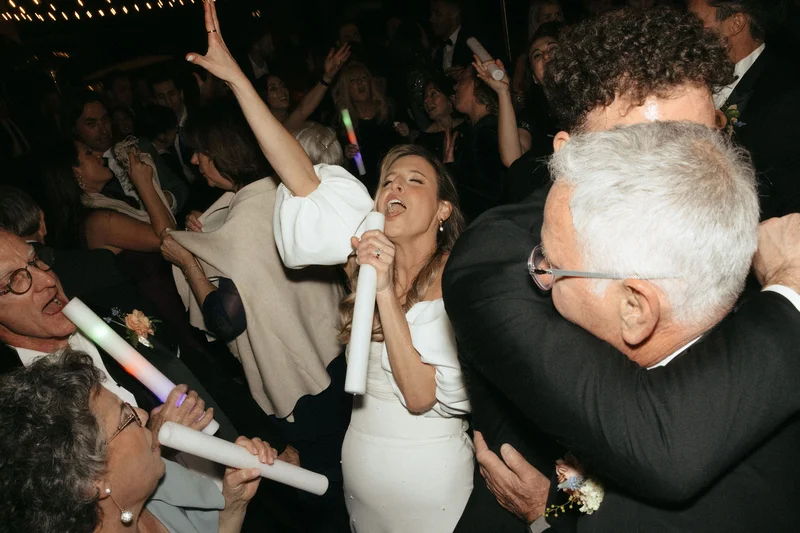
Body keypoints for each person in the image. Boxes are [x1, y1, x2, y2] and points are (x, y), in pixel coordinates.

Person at [441, 7, 800, 533]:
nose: (689, 167)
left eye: (703, 139)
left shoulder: (717, 223)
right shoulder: (498, 259)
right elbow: (660, 437)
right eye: (651, 144)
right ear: (567, 151)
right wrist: (789, 284)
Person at [185, 3, 474, 531]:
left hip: (427, 477)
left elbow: (418, 395)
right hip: (362, 469)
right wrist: (237, 83)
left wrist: (383, 289)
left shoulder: (458, 276)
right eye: (388, 179)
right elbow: (297, 171)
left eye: (415, 181)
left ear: (443, 210)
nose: (395, 188)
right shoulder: (365, 237)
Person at [160, 101, 349, 532]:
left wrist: (190, 263)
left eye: (200, 152)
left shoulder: (238, 228)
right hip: (340, 355)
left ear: (221, 151)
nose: (193, 161)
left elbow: (226, 321)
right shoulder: (281, 191)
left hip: (301, 385)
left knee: (326, 489)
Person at [0, 350, 271, 533]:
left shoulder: (148, 496)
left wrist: (233, 505)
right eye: (126, 417)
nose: (143, 415)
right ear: (93, 483)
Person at [688, 0, 800, 220]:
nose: (686, 32)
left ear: (736, 24)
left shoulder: (787, 93)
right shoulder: (687, 78)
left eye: (695, 23)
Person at [68, 92, 188, 215]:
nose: (103, 129)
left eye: (105, 120)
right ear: (75, 129)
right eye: (92, 124)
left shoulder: (138, 147)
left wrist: (164, 200)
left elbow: (179, 188)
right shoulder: (84, 174)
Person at [504, 21, 565, 203]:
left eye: (552, 49)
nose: (546, 56)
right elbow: (513, 157)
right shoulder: (533, 112)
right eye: (537, 55)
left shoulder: (593, 97)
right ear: (535, 78)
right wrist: (502, 92)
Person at [332, 61, 405, 195]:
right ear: (346, 89)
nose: (360, 83)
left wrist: (405, 130)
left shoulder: (388, 108)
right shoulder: (344, 119)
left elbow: (409, 135)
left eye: (363, 78)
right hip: (365, 185)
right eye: (353, 80)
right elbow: (334, 156)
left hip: (396, 175)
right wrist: (346, 153)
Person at [449, 65, 507, 221]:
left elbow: (490, 193)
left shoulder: (488, 131)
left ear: (477, 84)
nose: (455, 86)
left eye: (461, 80)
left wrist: (449, 170)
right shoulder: (478, 130)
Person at [262, 44, 350, 133]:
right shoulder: (265, 130)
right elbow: (302, 110)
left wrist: (327, 77)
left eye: (283, 85)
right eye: (273, 88)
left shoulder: (298, 120)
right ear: (264, 98)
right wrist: (327, 78)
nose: (282, 90)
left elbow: (302, 110)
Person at [151, 72, 198, 186]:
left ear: (181, 94)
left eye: (171, 94)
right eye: (161, 97)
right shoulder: (155, 130)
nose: (168, 101)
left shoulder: (198, 119)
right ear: (155, 101)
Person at [512, 0, 564, 96]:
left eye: (558, 15)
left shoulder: (574, 44)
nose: (555, 20)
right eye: (548, 17)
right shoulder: (524, 58)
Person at [415, 74, 468, 162]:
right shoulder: (423, 141)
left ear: (450, 99)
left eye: (433, 94)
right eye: (425, 97)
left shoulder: (468, 126)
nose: (426, 101)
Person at [430, 0, 473, 77]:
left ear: (454, 14)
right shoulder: (436, 48)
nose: (431, 19)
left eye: (438, 14)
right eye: (432, 14)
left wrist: (468, 76)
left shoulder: (473, 44)